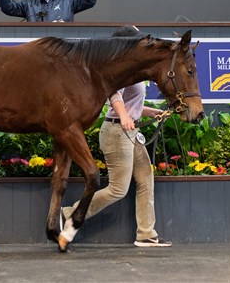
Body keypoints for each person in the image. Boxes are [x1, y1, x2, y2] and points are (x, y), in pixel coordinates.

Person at [61, 25, 171, 248]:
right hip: (117, 131)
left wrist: (152, 112)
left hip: (131, 131)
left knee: (145, 181)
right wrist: (123, 117)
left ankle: (146, 234)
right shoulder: (118, 71)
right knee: (118, 189)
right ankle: (71, 214)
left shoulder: (132, 70)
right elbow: (114, 96)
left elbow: (132, 106)